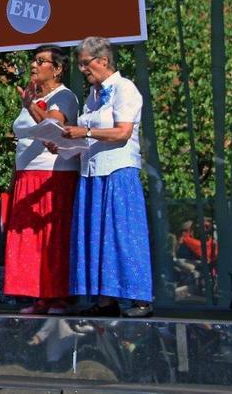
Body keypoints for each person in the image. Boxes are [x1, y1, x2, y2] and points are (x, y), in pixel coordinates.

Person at [61, 36, 153, 318]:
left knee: (124, 235)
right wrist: (66, 143)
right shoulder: (93, 95)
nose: (83, 70)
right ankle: (105, 299)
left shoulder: (125, 88)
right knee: (97, 237)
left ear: (103, 60)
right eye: (80, 65)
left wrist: (85, 132)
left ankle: (140, 300)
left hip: (117, 171)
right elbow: (89, 136)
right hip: (92, 173)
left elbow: (123, 132)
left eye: (85, 64)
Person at [3, 46, 79, 314]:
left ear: (57, 69)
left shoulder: (64, 96)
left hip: (52, 175)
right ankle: (40, 297)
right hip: (27, 175)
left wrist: (30, 105)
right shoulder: (33, 97)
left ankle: (58, 297)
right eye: (33, 61)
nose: (33, 65)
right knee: (30, 239)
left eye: (41, 61)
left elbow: (54, 126)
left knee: (51, 236)